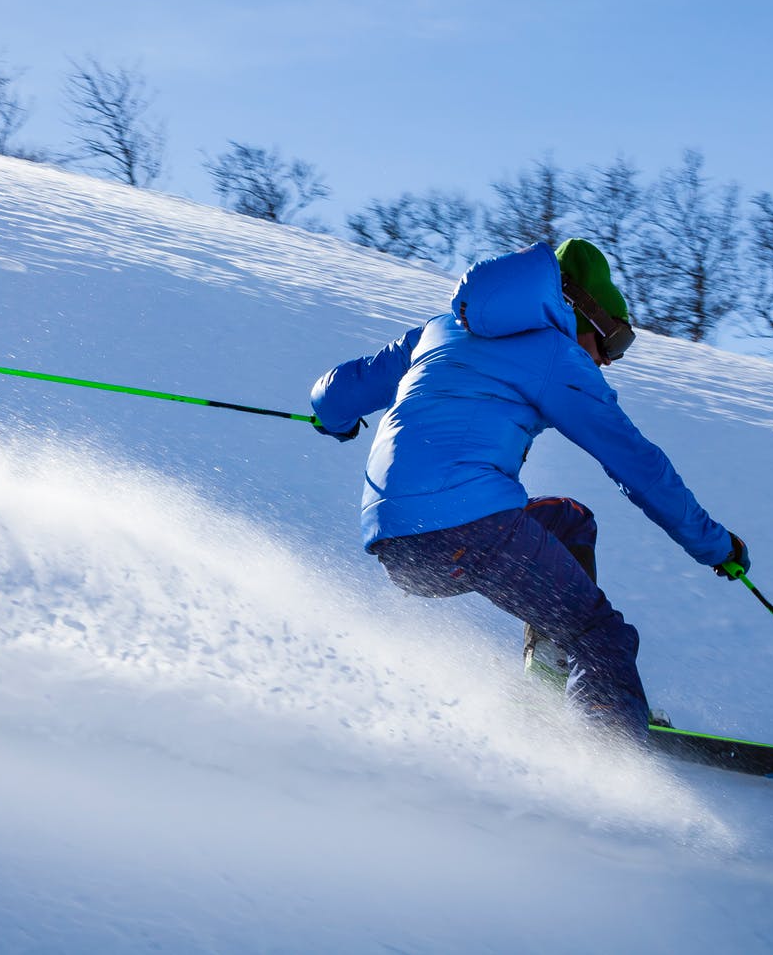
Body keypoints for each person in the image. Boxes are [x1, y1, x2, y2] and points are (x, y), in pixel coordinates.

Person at [310, 238, 748, 746]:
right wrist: (714, 545)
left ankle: (549, 688)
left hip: (397, 545)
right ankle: (610, 750)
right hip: (470, 527)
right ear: (583, 312)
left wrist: (335, 421)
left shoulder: (440, 329)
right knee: (600, 634)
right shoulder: (555, 355)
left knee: (569, 520)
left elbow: (335, 393)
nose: (609, 360)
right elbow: (637, 464)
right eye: (614, 342)